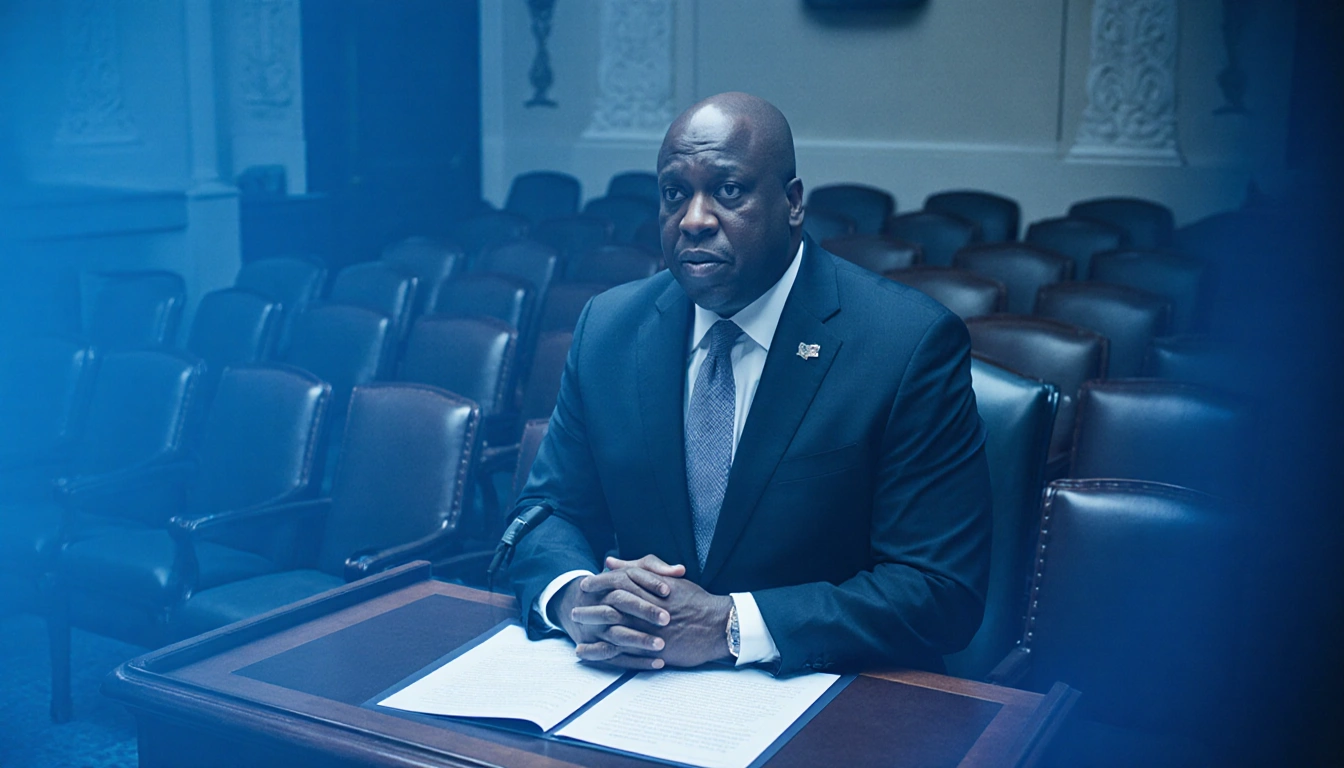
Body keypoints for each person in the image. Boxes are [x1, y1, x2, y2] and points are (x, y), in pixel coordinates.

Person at [508, 92, 991, 676]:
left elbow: (939, 590)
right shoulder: (609, 328)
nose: (693, 219)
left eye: (728, 191)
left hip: (829, 696)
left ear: (791, 203)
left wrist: (732, 626)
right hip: (637, 692)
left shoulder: (906, 344)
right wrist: (575, 596)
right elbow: (546, 511)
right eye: (674, 194)